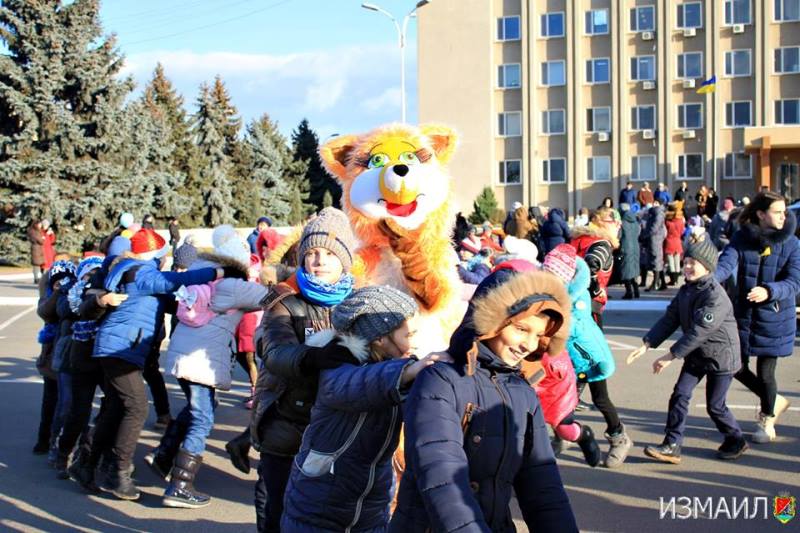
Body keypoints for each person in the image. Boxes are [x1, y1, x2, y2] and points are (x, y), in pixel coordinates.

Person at [389, 267, 578, 532]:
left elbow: (543, 487)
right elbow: (443, 478)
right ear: (492, 320)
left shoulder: (522, 392)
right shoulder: (440, 380)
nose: (529, 345)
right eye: (522, 329)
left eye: (539, 335)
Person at [71, 228, 244, 500]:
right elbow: (174, 281)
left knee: (116, 407)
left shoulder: (134, 273)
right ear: (155, 255)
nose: (165, 261)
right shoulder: (142, 272)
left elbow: (170, 301)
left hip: (118, 347)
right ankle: (118, 472)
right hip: (120, 348)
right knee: (137, 407)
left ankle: (87, 464)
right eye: (163, 256)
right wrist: (220, 273)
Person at [282, 286, 449, 531]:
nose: (415, 342)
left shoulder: (394, 369)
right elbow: (357, 384)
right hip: (318, 503)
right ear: (380, 338)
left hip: (372, 504)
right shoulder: (337, 365)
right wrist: (408, 371)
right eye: (408, 334)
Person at [146, 226, 269, 508]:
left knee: (198, 409)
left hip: (183, 356)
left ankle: (164, 457)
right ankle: (180, 486)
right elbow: (268, 297)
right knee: (202, 418)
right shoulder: (231, 285)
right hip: (201, 361)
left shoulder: (203, 276)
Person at [252, 207, 358, 533]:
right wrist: (311, 358)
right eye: (311, 252)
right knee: (279, 511)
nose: (319, 260)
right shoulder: (285, 302)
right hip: (287, 425)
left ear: (345, 259)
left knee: (328, 515)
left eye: (329, 253)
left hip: (336, 430)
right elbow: (275, 352)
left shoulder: (359, 303)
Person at [629, 237, 747, 463]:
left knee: (715, 406)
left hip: (721, 358)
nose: (688, 267)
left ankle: (736, 438)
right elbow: (670, 319)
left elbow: (700, 331)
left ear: (708, 266)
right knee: (680, 395)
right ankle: (672, 445)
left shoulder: (715, 295)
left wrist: (670, 355)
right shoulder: (686, 290)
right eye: (686, 262)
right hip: (696, 355)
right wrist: (647, 344)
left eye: (694, 262)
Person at [714, 191, 799, 443]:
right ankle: (775, 399)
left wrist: (769, 291)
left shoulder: (792, 243)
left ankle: (766, 418)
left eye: (785, 212)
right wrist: (705, 280)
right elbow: (725, 265)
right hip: (744, 315)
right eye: (778, 212)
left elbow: (794, 283)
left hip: (775, 316)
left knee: (766, 373)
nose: (784, 216)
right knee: (736, 366)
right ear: (761, 215)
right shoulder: (742, 238)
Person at [544, 246, 630, 468]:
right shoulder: (557, 295)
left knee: (601, 399)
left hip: (591, 358)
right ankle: (563, 435)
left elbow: (575, 325)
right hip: (569, 358)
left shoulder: (578, 296)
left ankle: (619, 436)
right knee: (565, 401)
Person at [570, 207, 620, 328]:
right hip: (589, 304)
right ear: (600, 222)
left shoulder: (580, 239)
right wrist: (596, 290)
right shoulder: (602, 243)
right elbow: (591, 262)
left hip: (572, 298)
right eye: (614, 222)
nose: (618, 226)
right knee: (595, 345)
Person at [641, 201, 667, 291]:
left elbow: (654, 227)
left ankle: (655, 283)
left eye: (655, 202)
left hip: (655, 239)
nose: (653, 204)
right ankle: (662, 283)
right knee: (656, 260)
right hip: (654, 239)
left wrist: (645, 235)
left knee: (656, 260)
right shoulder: (653, 213)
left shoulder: (658, 213)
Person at [618, 204, 641, 299]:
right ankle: (636, 291)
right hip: (635, 246)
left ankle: (629, 292)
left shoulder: (622, 222)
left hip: (626, 246)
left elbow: (619, 236)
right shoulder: (636, 222)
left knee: (626, 270)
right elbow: (638, 233)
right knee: (634, 269)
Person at [664, 203, 686, 286]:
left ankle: (672, 280)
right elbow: (682, 231)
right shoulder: (681, 220)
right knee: (677, 261)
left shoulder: (668, 222)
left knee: (671, 262)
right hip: (678, 241)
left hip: (669, 241)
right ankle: (676, 279)